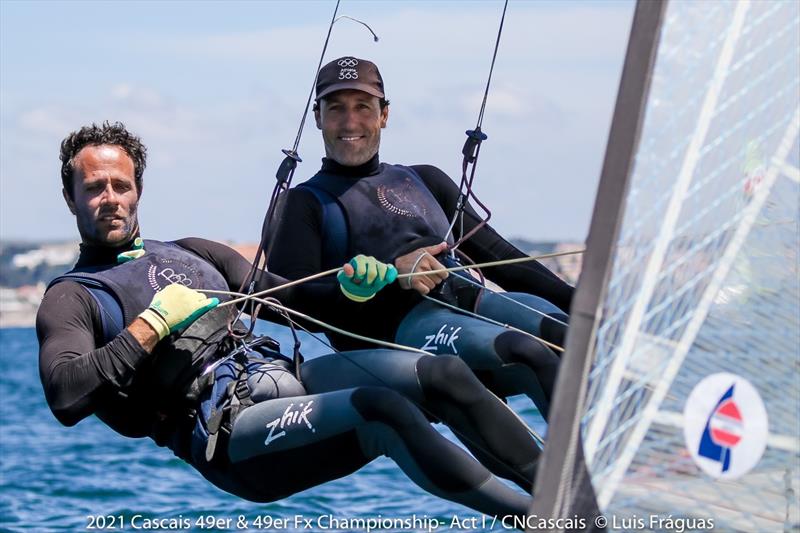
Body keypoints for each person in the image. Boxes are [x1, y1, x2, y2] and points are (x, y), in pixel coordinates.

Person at [37, 121, 543, 519]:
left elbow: (295, 298)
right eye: (94, 188)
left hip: (284, 376)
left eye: (120, 185)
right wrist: (150, 325)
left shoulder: (196, 252)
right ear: (70, 199)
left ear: (138, 189)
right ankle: (544, 521)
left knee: (441, 374)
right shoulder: (74, 295)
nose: (110, 199)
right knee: (381, 409)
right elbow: (66, 395)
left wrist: (368, 283)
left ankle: (570, 499)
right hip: (227, 431)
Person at [268, 57, 575, 417]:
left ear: (384, 114)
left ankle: (628, 460)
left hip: (473, 304)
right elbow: (291, 305)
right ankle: (572, 467)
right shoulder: (301, 204)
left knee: (568, 332)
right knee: (526, 350)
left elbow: (504, 260)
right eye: (336, 108)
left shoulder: (425, 180)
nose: (350, 122)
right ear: (318, 116)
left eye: (363, 107)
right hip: (402, 333)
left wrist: (594, 310)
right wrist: (390, 275)